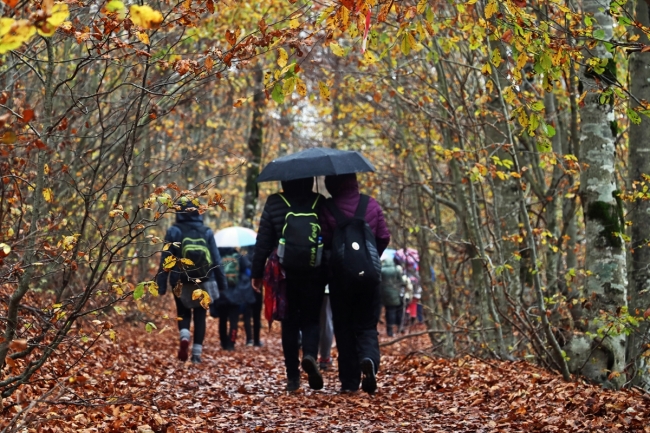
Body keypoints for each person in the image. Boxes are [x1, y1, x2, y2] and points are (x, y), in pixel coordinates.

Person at [251, 177, 327, 392]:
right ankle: (310, 356)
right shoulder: (319, 201)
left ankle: (293, 377)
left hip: (284, 273)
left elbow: (263, 240)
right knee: (312, 319)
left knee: (289, 322)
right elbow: (328, 236)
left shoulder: (275, 202)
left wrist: (257, 273)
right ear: (311, 180)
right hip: (315, 271)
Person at [320, 173, 390, 394]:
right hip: (369, 278)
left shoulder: (327, 207)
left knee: (344, 328)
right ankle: (369, 359)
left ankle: (349, 382)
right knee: (367, 326)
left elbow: (323, 241)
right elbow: (384, 236)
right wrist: (370, 259)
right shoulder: (370, 204)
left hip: (340, 279)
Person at [156, 198, 228, 364]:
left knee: (183, 312)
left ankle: (184, 336)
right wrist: (222, 283)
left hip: (179, 279)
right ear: (198, 212)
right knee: (200, 315)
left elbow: (165, 259)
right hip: (204, 280)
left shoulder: (174, 231)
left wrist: (161, 284)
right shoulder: (206, 231)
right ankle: (196, 354)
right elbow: (216, 260)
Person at [212, 247, 253, 351]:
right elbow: (248, 273)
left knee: (222, 320)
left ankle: (223, 343)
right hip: (236, 294)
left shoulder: (217, 256)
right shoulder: (238, 256)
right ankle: (231, 343)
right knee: (234, 321)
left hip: (221, 294)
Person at [243, 247, 264, 347]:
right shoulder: (260, 260)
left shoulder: (244, 258)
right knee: (257, 316)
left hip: (246, 289)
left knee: (247, 316)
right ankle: (257, 340)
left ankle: (249, 340)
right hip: (258, 289)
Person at [380, 257, 405, 337]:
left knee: (388, 311)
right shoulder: (396, 270)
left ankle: (389, 330)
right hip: (395, 293)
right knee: (394, 311)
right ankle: (397, 328)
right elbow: (401, 281)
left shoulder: (382, 270)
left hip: (384, 293)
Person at [318, 285, 334, 370]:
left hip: (309, 285)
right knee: (326, 322)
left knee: (309, 322)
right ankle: (324, 357)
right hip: (326, 288)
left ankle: (310, 355)